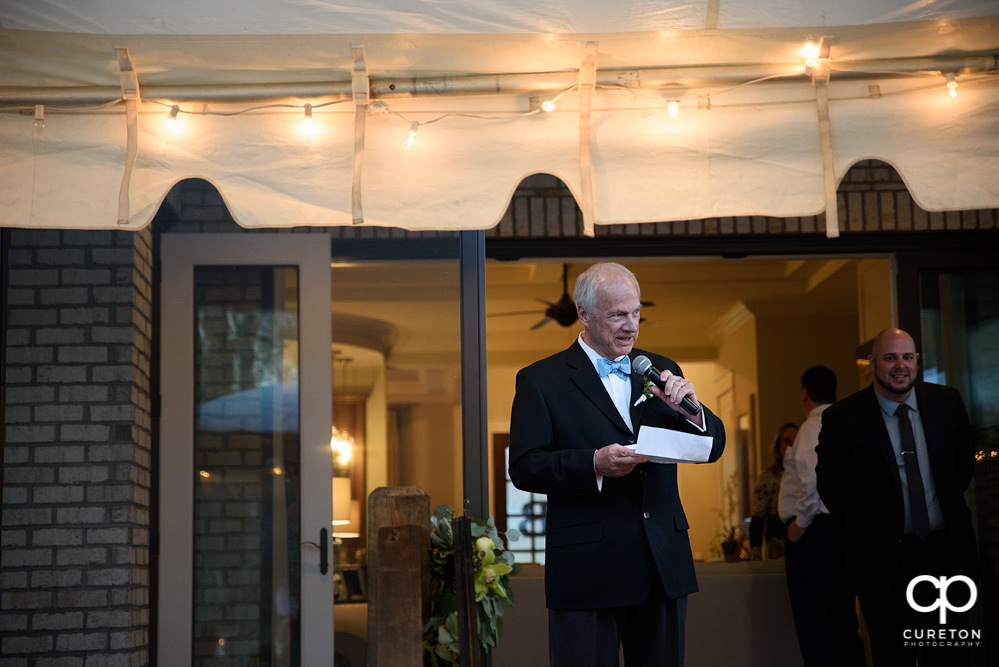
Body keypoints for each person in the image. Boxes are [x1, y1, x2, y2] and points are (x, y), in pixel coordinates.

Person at [508, 262, 726, 667]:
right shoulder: (541, 380)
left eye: (636, 313)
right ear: (584, 315)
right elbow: (524, 467)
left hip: (661, 563)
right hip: (587, 568)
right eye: (617, 315)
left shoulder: (662, 370)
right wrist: (593, 463)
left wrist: (692, 414)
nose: (631, 326)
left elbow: (712, 446)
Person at [816, 328, 979, 666]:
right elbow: (831, 488)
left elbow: (961, 469)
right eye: (890, 358)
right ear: (873, 363)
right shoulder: (842, 419)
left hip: (945, 555)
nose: (899, 366)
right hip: (883, 563)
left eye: (907, 357)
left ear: (917, 361)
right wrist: (870, 528)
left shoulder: (946, 403)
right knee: (893, 657)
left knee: (951, 655)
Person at [778, 366, 865, 667]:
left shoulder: (813, 427)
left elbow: (812, 481)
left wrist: (800, 524)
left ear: (804, 393)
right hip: (841, 530)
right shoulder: (847, 423)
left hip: (814, 535)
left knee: (816, 625)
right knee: (842, 620)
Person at [750, 422, 797, 560]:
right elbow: (757, 519)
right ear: (778, 446)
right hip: (778, 545)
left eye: (796, 439)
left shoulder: (807, 476)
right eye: (787, 440)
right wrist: (756, 556)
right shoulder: (769, 478)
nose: (791, 444)